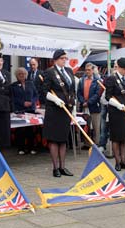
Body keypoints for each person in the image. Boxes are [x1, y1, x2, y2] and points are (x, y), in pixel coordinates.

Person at [43, 49, 75, 177]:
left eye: (65, 58)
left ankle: (63, 166)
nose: (64, 61)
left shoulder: (69, 71)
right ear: (56, 59)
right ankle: (55, 167)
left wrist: (74, 107)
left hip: (66, 109)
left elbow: (72, 90)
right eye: (62, 58)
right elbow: (44, 91)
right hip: (54, 110)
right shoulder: (49, 72)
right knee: (54, 140)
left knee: (63, 139)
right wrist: (55, 99)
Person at [105, 58, 125, 171]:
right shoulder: (111, 79)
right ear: (119, 68)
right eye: (124, 69)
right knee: (116, 138)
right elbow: (108, 96)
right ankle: (117, 161)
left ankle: (123, 160)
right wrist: (118, 105)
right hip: (116, 112)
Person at [10, 67, 38, 155]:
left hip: (31, 110)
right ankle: (20, 148)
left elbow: (36, 95)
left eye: (23, 74)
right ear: (16, 76)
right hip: (19, 110)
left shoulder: (31, 83)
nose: (22, 75)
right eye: (20, 74)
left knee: (31, 130)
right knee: (20, 130)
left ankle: (31, 148)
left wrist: (32, 102)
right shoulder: (13, 86)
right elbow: (12, 98)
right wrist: (23, 103)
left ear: (26, 74)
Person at [77, 63, 101, 145]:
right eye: (86, 70)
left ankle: (96, 144)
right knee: (85, 125)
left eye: (89, 70)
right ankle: (86, 143)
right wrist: (83, 101)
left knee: (96, 126)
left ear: (93, 70)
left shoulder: (97, 80)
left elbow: (97, 94)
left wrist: (88, 102)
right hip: (84, 106)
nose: (87, 71)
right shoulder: (82, 80)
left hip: (94, 107)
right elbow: (79, 92)